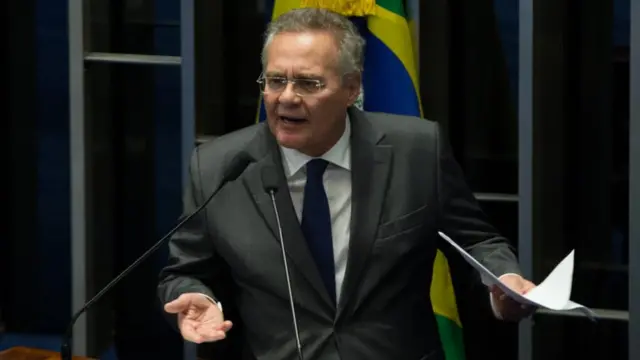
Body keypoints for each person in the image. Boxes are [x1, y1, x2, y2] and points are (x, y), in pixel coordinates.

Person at [158, 7, 535, 360]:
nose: (286, 97)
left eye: (308, 83)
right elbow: (185, 268)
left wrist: (502, 278)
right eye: (275, 81)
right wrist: (193, 294)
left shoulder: (416, 152)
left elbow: (476, 241)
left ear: (351, 88)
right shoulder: (218, 167)